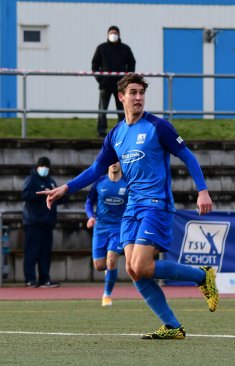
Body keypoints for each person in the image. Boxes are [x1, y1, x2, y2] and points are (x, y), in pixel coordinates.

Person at [37, 73, 218, 340]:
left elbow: (187, 155)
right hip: (131, 208)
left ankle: (202, 276)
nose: (138, 97)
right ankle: (172, 326)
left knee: (142, 265)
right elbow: (97, 168)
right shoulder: (116, 135)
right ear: (121, 97)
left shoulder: (158, 127)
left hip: (155, 205)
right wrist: (66, 188)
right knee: (133, 269)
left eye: (142, 92)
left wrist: (202, 190)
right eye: (133, 92)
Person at [85, 162, 128, 307]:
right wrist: (90, 216)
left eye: (117, 161)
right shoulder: (100, 182)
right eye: (111, 161)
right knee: (99, 265)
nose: (114, 164)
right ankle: (109, 271)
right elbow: (89, 202)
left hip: (119, 228)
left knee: (111, 259)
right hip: (100, 228)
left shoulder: (127, 183)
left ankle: (107, 295)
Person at [21, 157, 61, 288]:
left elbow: (60, 199)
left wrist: (58, 193)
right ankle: (30, 279)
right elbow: (25, 195)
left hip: (47, 223)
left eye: (46, 166)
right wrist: (42, 194)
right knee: (31, 252)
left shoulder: (50, 180)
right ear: (37, 167)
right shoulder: (31, 180)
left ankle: (45, 279)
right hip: (33, 222)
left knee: (45, 253)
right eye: (42, 166)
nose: (45, 169)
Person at [91, 25, 136, 138]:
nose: (113, 35)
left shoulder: (125, 48)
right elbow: (95, 64)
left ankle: (122, 130)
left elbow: (131, 63)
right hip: (105, 85)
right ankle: (101, 130)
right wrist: (100, 79)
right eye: (111, 32)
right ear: (107, 34)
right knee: (102, 109)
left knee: (122, 109)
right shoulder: (101, 48)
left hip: (121, 86)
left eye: (115, 32)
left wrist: (127, 80)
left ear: (119, 34)